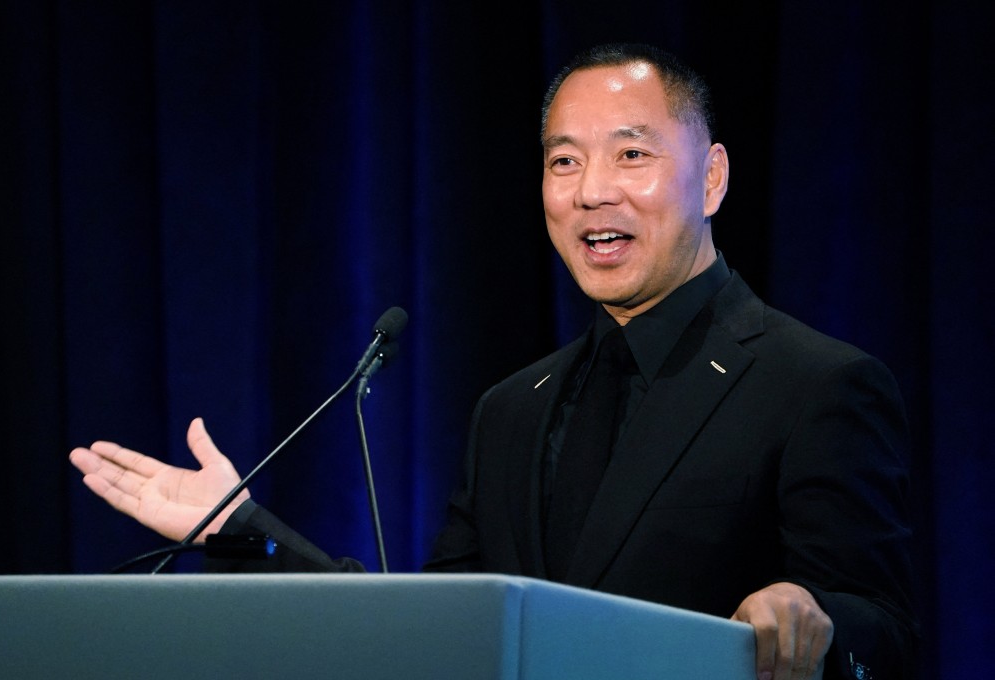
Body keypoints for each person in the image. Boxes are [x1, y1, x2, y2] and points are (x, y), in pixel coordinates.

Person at [70, 43, 916, 680]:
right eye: (563, 161)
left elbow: (888, 631)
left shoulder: (814, 384)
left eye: (632, 153)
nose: (591, 191)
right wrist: (244, 533)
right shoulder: (512, 410)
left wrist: (818, 621)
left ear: (712, 179)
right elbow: (435, 634)